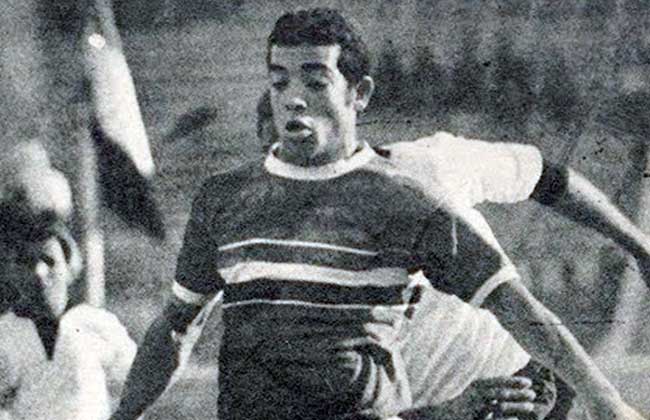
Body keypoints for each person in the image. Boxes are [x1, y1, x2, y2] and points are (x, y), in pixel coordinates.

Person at [112, 8, 645, 420]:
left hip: (509, 382)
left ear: (358, 96)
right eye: (279, 86)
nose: (292, 105)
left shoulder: (419, 183)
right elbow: (178, 325)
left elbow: (545, 196)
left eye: (314, 84)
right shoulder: (230, 200)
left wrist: (609, 399)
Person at [0, 140, 136, 420]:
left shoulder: (95, 325)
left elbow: (139, 386)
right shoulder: (5, 335)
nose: (39, 273)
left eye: (50, 261)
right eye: (26, 263)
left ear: (69, 266)